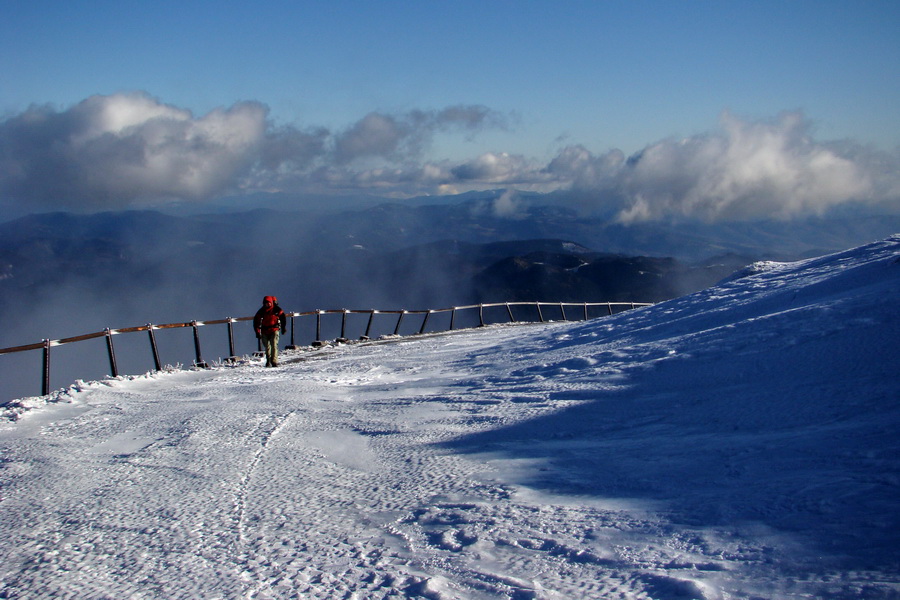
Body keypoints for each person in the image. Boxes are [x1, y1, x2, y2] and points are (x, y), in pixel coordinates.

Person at [254, 296, 286, 367]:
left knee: (274, 345)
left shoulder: (276, 310)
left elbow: (283, 318)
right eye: (266, 303)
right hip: (264, 331)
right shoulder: (261, 312)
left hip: (274, 329)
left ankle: (274, 361)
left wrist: (283, 328)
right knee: (267, 346)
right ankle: (268, 361)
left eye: (269, 303)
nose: (267, 305)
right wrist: (257, 332)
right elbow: (256, 322)